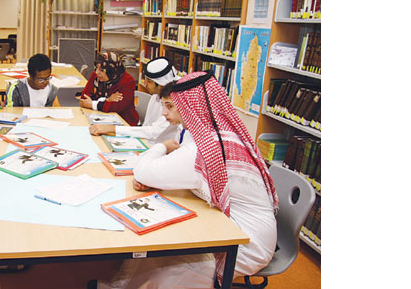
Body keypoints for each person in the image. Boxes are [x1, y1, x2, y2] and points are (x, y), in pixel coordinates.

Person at [96, 71, 279, 289]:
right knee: (158, 236)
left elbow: (143, 171)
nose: (165, 112)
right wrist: (160, 174)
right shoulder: (217, 135)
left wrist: (161, 147)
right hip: (230, 222)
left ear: (192, 106)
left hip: (246, 241)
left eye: (172, 106)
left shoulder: (204, 148)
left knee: (170, 251)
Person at [89, 57, 180, 144]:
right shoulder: (156, 96)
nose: (144, 84)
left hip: (160, 147)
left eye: (149, 81)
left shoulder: (174, 105)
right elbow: (146, 126)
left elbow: (153, 132)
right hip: (145, 141)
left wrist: (112, 129)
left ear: (160, 85)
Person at [79, 52, 139, 126]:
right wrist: (107, 100)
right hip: (98, 119)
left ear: (111, 71)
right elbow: (83, 100)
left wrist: (93, 104)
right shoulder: (95, 76)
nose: (97, 72)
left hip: (124, 123)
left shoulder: (127, 81)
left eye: (101, 70)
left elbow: (118, 107)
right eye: (96, 68)